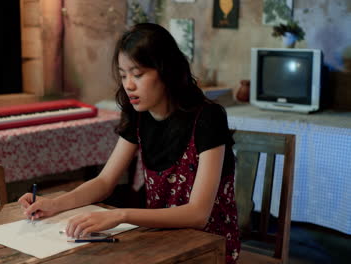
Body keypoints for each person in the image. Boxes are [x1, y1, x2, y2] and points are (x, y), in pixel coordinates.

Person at [18, 23, 240, 264]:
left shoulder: (208, 117)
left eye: (138, 74)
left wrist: (121, 216)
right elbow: (104, 182)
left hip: (210, 248)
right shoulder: (138, 115)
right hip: (160, 242)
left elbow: (198, 214)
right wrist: (53, 204)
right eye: (123, 75)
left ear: (166, 71)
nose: (129, 85)